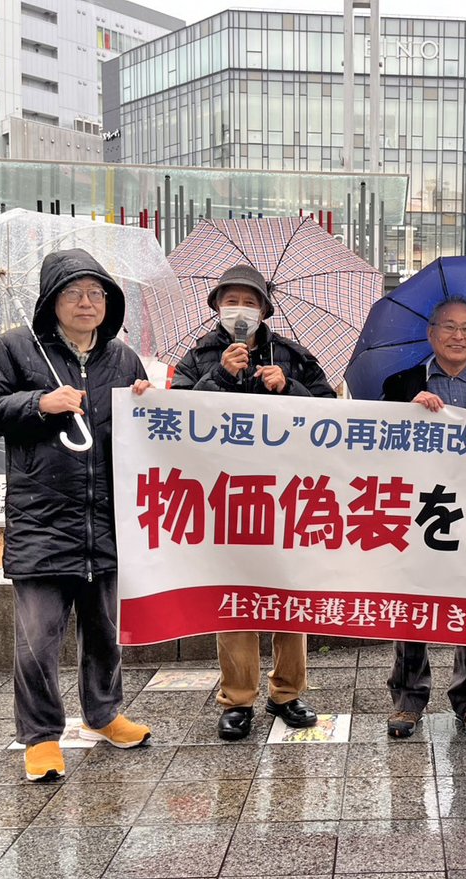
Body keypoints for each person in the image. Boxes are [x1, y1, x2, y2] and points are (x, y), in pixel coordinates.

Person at [0, 249, 153, 783]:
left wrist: (147, 401)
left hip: (110, 518)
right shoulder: (15, 348)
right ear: (53, 301)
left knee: (106, 630)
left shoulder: (123, 359)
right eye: (74, 292)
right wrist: (39, 404)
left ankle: (103, 713)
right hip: (42, 519)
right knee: (38, 639)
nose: (87, 302)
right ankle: (42, 737)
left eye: (96, 293)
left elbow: (140, 434)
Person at [171, 263, 334, 740]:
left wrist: (291, 388)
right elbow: (175, 414)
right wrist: (218, 377)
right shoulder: (199, 355)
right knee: (236, 597)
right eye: (230, 301)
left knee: (288, 592)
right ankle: (237, 698)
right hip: (225, 495)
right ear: (217, 307)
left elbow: (333, 413)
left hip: (286, 492)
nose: (238, 310)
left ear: (264, 308)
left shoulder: (293, 354)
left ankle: (288, 692)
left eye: (248, 301)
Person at [380, 296, 466, 740]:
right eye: (450, 327)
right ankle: (408, 699)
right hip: (418, 509)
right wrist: (405, 411)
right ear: (431, 333)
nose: (459, 336)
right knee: (414, 601)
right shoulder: (400, 384)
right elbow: (375, 445)